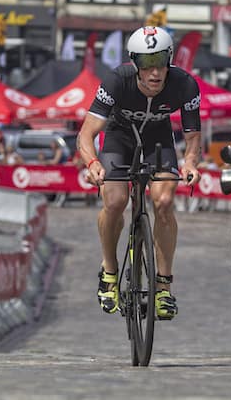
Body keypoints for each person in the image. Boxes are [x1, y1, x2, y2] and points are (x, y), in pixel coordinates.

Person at [77, 26, 202, 320]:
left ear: (170, 60)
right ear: (135, 63)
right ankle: (109, 271)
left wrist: (190, 163)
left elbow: (193, 136)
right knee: (115, 200)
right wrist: (93, 163)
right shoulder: (116, 81)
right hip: (119, 138)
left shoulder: (185, 84)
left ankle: (163, 288)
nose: (155, 72)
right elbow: (86, 134)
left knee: (164, 202)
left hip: (157, 139)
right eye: (147, 63)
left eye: (161, 62)